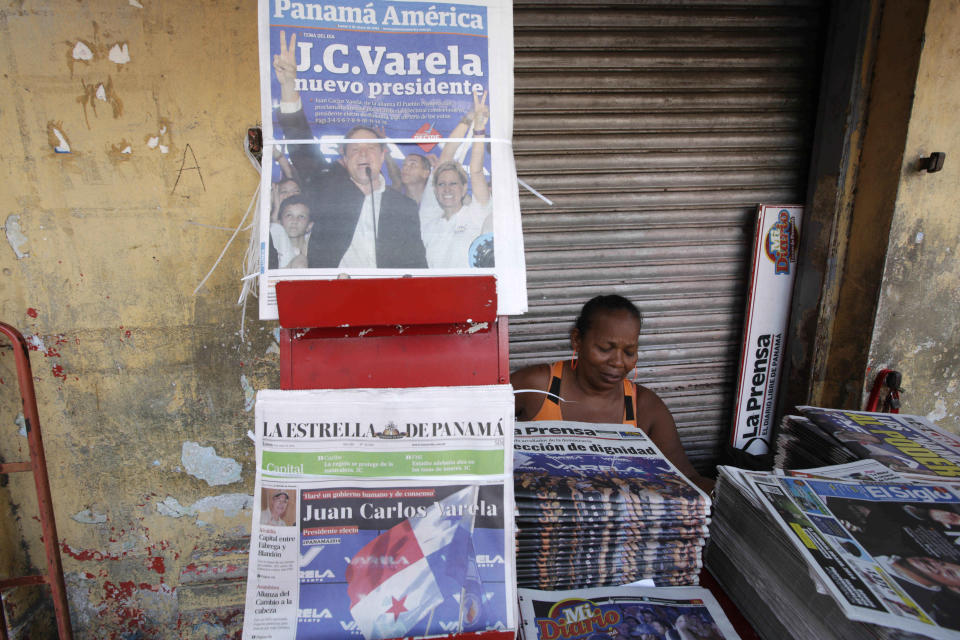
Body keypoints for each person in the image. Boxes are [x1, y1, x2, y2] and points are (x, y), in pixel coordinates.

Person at [512, 295, 714, 494]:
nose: (618, 362)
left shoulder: (645, 406)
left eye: (629, 352)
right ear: (577, 340)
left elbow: (685, 477)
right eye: (605, 348)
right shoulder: (535, 386)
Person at [272, 31, 426, 269]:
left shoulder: (402, 207)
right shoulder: (327, 190)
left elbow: (416, 265)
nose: (363, 154)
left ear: (383, 155)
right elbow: (301, 147)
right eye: (355, 150)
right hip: (334, 297)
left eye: (371, 149)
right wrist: (289, 85)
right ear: (344, 159)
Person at [419, 89, 493, 268]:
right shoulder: (429, 218)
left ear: (463, 187)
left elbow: (476, 171)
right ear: (435, 190)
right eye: (442, 184)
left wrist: (479, 127)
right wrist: (468, 117)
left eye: (453, 183)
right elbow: (446, 155)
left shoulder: (477, 212)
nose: (447, 189)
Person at [270, 195, 312, 269]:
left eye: (301, 216)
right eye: (289, 215)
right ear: (280, 222)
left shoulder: (312, 251)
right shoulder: (273, 253)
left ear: (309, 226)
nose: (294, 221)